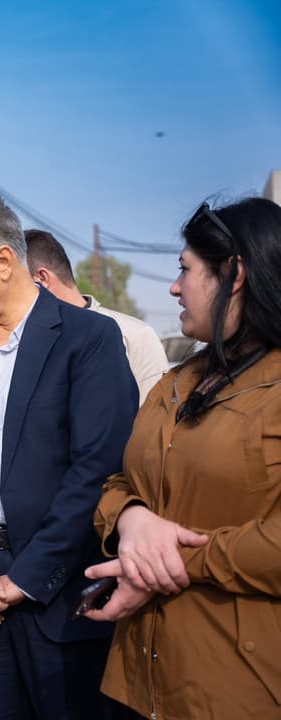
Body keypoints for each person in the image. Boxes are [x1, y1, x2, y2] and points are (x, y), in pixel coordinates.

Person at [0, 190, 138, 719]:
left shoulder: (88, 340)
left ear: (2, 261)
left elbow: (97, 469)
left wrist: (26, 578)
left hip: (61, 597)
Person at [85, 197, 281, 718]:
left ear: (234, 275)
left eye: (185, 270)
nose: (174, 287)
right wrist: (131, 519)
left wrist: (159, 562)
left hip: (236, 687)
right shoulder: (174, 383)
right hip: (137, 680)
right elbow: (117, 481)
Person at [25, 229, 170, 404]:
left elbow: (153, 414)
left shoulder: (134, 336)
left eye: (16, 287)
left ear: (42, 279)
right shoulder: (22, 342)